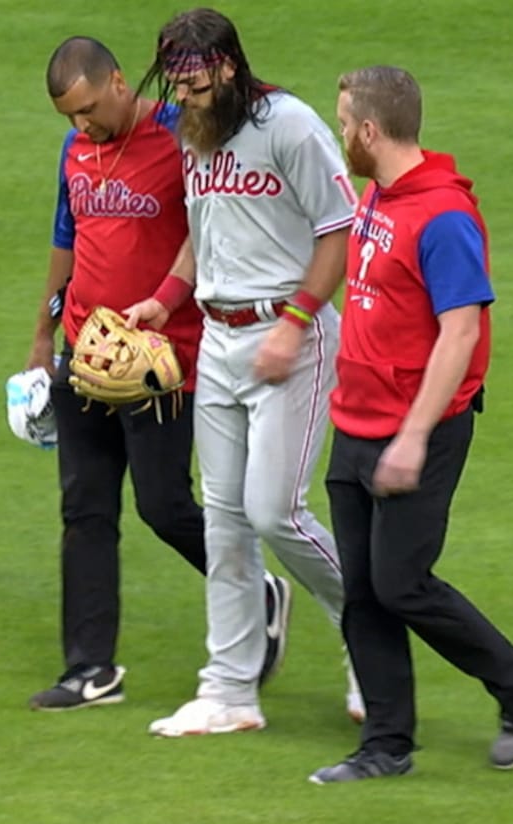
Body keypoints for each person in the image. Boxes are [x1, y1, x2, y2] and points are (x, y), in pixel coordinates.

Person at [26, 37, 292, 712]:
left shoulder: (180, 133)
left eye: (88, 108)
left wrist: (167, 304)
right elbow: (69, 236)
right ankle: (89, 669)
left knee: (162, 504)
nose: (81, 126)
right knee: (84, 509)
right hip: (87, 354)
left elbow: (208, 226)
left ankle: (257, 593)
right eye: (68, 116)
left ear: (118, 81)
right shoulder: (74, 152)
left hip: (164, 360)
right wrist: (43, 333)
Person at [306, 66, 513, 783]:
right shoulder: (381, 196)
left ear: (370, 131)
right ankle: (386, 745)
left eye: (343, 123)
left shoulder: (442, 217)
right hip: (356, 421)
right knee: (362, 588)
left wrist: (413, 436)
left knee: (401, 582)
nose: (340, 135)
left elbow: (460, 333)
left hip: (418, 427)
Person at [126, 8, 362, 736]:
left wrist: (293, 326)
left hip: (289, 335)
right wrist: (167, 299)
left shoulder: (289, 125)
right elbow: (206, 229)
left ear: (227, 67)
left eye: (195, 85)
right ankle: (229, 689)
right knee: (224, 523)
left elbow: (338, 229)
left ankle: (372, 640)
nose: (184, 100)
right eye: (177, 87)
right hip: (221, 341)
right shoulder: (196, 132)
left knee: (275, 512)